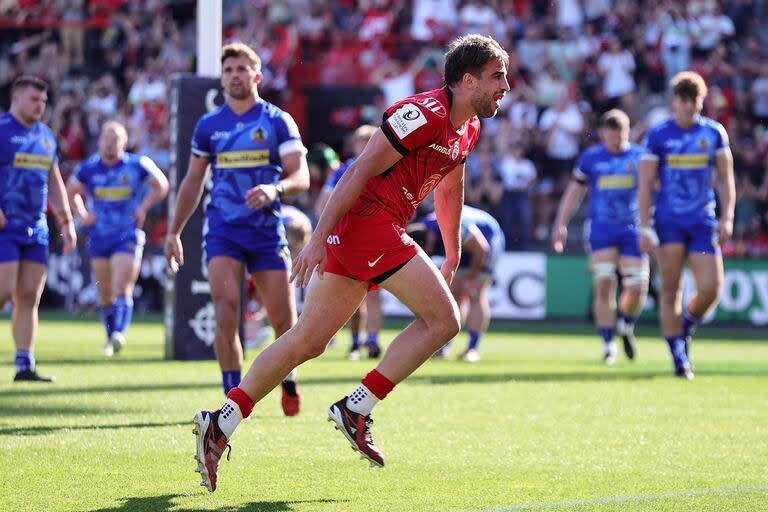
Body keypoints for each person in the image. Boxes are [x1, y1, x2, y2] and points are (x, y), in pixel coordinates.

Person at [190, 34, 509, 492]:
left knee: (307, 341)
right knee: (443, 320)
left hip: (373, 229)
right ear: (466, 80)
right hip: (368, 224)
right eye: (497, 76)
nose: (506, 86)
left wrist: (453, 248)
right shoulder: (422, 114)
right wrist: (319, 237)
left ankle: (220, 422)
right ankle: (357, 407)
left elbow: (450, 186)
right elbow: (358, 170)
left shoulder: (469, 127)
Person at [164, 43, 310, 412]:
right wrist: (173, 231)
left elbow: (301, 175)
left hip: (265, 232)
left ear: (257, 76)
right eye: (228, 70)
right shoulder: (209, 125)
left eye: (242, 69)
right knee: (225, 309)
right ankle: (233, 398)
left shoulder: (277, 120)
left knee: (285, 322)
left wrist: (274, 188)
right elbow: (193, 181)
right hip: (223, 232)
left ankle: (288, 379)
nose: (235, 76)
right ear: (222, 78)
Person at [638, 71, 735, 380]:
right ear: (675, 102)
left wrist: (728, 216)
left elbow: (727, 179)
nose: (691, 107)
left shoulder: (714, 133)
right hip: (668, 223)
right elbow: (645, 184)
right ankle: (678, 355)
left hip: (703, 221)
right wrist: (644, 226)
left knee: (710, 289)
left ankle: (687, 324)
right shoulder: (659, 135)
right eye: (685, 101)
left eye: (696, 102)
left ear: (701, 102)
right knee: (671, 289)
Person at [551, 109, 649, 364]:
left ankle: (625, 325)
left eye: (621, 134)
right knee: (604, 285)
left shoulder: (640, 157)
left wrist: (652, 225)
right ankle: (608, 345)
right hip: (601, 230)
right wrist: (561, 224)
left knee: (637, 287)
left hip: (633, 228)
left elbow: (654, 191)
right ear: (604, 133)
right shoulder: (591, 158)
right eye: (611, 134)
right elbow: (574, 192)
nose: (616, 139)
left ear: (628, 132)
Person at [67, 121, 169, 356]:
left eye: (115, 138)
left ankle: (118, 334)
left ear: (124, 142)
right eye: (106, 137)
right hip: (99, 235)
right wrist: (82, 214)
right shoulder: (89, 167)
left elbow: (161, 185)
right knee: (105, 292)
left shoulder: (137, 164)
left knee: (122, 286)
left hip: (127, 233)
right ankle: (110, 337)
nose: (110, 142)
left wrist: (143, 207)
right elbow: (71, 190)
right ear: (100, 140)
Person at [0, 75, 77, 382]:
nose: (40, 105)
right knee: (4, 291)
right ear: (16, 98)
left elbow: (54, 180)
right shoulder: (2, 129)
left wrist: (66, 220)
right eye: (34, 99)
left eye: (44, 101)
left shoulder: (45, 135)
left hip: (36, 228)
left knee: (29, 295)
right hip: (6, 226)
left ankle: (24, 365)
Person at [315, 124, 383, 361]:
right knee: (354, 293)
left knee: (372, 293)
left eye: (368, 141)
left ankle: (372, 340)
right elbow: (322, 204)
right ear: (354, 145)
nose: (364, 147)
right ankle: (354, 343)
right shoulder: (344, 170)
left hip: (374, 237)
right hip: (347, 238)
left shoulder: (385, 167)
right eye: (361, 142)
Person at [412, 204, 505, 363]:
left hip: (487, 241)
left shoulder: (449, 225)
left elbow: (481, 249)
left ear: (430, 238)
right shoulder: (423, 228)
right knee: (454, 296)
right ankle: (445, 346)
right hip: (460, 246)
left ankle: (472, 348)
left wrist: (472, 278)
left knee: (475, 293)